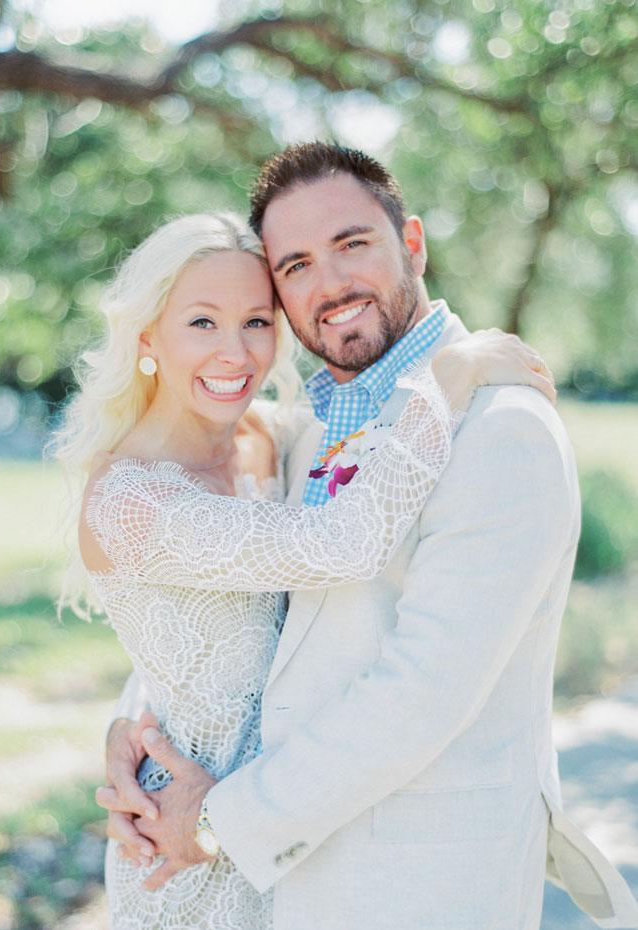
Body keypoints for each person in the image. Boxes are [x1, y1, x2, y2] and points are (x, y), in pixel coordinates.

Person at [97, 145, 638, 930]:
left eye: (353, 244)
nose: (332, 284)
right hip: (285, 888)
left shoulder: (502, 428)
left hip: (421, 889)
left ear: (411, 244)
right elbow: (219, 613)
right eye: (297, 266)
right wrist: (134, 734)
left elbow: (420, 692)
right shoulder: (306, 433)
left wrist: (219, 821)